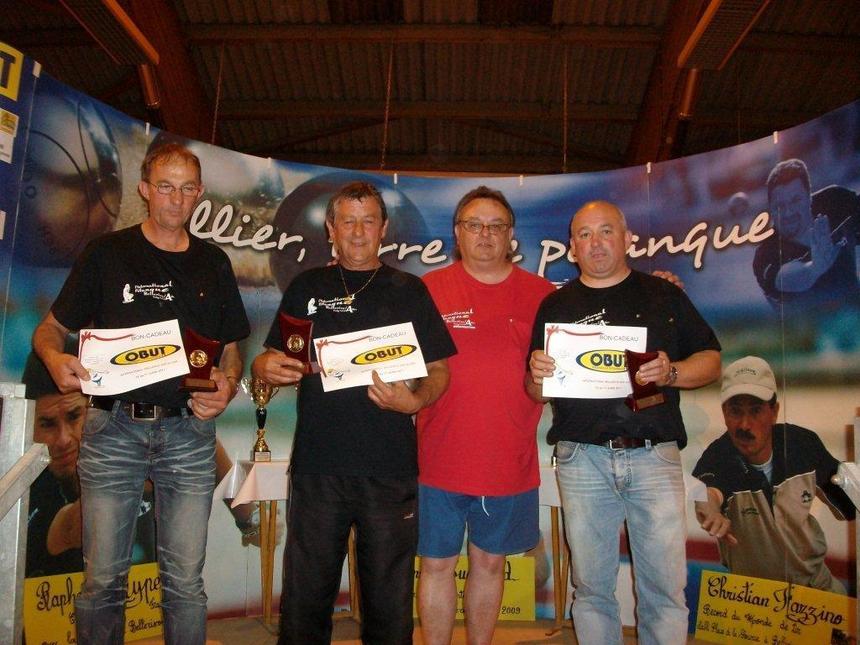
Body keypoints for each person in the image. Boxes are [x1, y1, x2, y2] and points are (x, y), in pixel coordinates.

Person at [32, 142, 249, 645]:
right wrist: (54, 358)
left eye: (187, 188)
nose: (176, 199)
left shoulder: (214, 264)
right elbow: (49, 329)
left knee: (185, 585)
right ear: (146, 190)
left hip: (190, 434)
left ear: (199, 194)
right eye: (166, 187)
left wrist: (227, 385)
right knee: (103, 582)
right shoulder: (107, 254)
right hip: (112, 430)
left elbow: (231, 353)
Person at [251, 181, 456, 645]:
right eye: (349, 221)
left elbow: (439, 370)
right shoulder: (306, 287)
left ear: (383, 229)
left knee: (389, 600)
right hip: (318, 467)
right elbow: (269, 361)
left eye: (368, 221)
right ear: (331, 230)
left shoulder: (410, 290)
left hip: (389, 469)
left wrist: (416, 401)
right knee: (306, 598)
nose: (359, 232)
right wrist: (264, 365)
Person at [527, 200, 721, 645]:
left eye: (605, 231)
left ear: (627, 237)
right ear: (572, 248)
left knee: (664, 589)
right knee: (591, 588)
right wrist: (535, 374)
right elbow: (537, 392)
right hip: (581, 459)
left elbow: (712, 361)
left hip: (653, 455)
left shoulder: (664, 295)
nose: (595, 243)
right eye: (584, 234)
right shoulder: (555, 306)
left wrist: (672, 372)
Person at [415, 187, 555, 645]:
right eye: (474, 224)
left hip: (508, 461)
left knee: (490, 564)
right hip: (436, 459)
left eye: (496, 226)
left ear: (511, 235)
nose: (485, 234)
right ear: (457, 232)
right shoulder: (428, 290)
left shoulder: (542, 295)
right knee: (435, 564)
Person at [692, 355, 855, 593]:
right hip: (751, 599)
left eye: (756, 411)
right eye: (735, 412)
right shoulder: (718, 455)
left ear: (774, 411)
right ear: (724, 413)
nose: (745, 425)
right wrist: (709, 510)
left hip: (816, 592)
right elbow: (707, 494)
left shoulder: (802, 444)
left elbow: (848, 505)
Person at [753, 158, 860, 308]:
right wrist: (814, 268)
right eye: (779, 206)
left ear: (809, 197)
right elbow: (786, 278)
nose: (788, 212)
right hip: (807, 326)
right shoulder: (765, 254)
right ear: (770, 208)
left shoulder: (836, 202)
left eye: (795, 200)